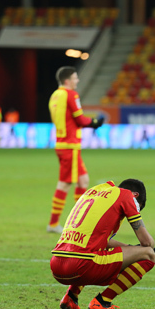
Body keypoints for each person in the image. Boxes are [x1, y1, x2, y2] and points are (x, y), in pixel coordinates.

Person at [50, 179, 155, 309]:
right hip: (82, 264)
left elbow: (102, 242)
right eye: (139, 207)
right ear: (135, 195)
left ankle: (71, 297)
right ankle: (103, 302)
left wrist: (129, 250)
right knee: (149, 254)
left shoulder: (93, 192)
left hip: (57, 265)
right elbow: (147, 242)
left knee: (93, 250)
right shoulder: (126, 196)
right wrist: (138, 249)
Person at [47, 66, 104, 234]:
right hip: (69, 146)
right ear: (67, 80)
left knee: (83, 180)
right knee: (65, 184)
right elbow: (79, 119)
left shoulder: (54, 95)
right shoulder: (71, 94)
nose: (77, 81)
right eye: (75, 78)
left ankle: (81, 221)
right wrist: (94, 122)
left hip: (62, 144)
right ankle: (53, 224)